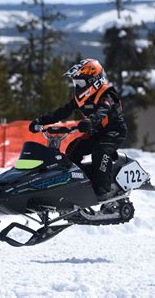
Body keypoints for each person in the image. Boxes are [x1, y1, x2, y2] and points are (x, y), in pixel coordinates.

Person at [29, 58, 127, 201]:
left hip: (114, 131)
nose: (77, 86)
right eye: (76, 83)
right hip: (96, 132)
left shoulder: (107, 94)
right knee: (71, 152)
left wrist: (90, 121)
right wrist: (41, 121)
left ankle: (103, 192)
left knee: (100, 152)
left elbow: (103, 110)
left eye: (80, 82)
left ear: (94, 80)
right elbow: (62, 112)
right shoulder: (80, 98)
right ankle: (78, 187)